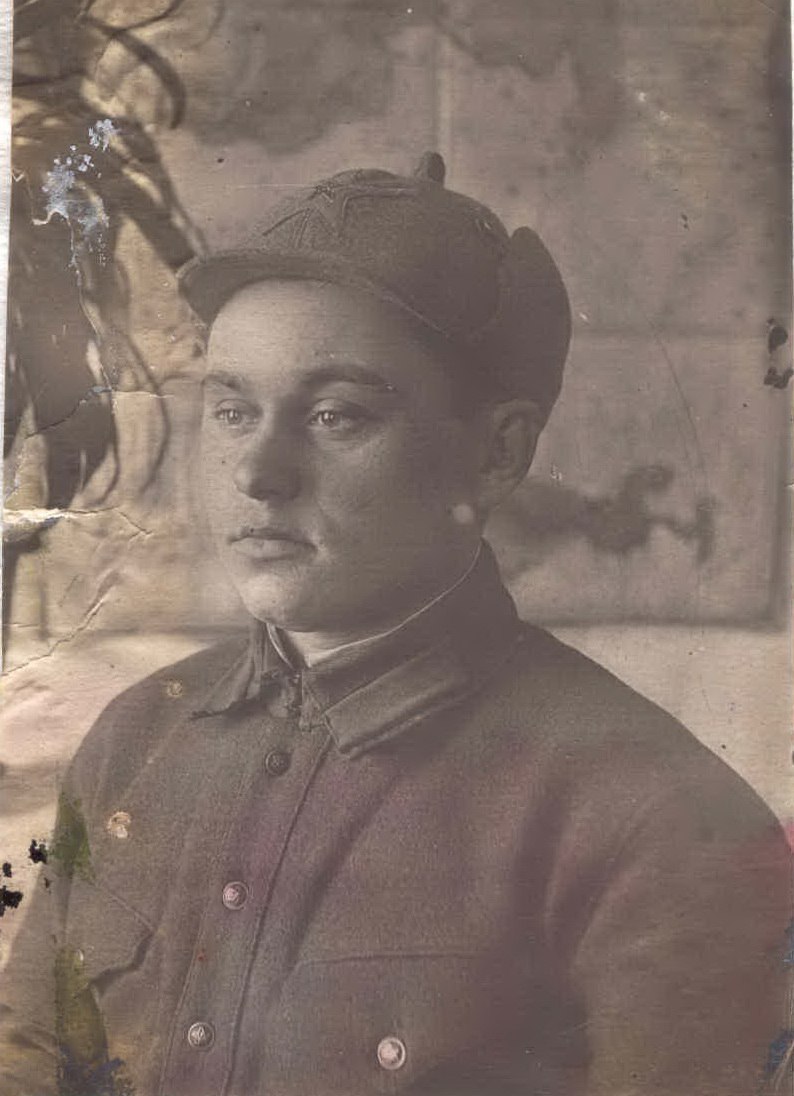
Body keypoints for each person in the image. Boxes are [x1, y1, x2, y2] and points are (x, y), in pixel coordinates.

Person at [1, 152, 790, 1096]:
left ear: (496, 454)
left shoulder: (656, 819)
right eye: (233, 410)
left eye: (335, 416)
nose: (257, 472)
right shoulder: (136, 739)